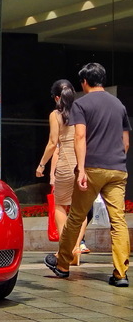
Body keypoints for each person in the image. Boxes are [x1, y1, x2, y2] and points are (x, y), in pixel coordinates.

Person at [44, 63, 130, 287]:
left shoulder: (81, 105)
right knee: (118, 221)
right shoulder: (118, 104)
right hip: (117, 169)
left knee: (76, 217)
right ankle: (121, 273)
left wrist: (81, 169)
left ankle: (62, 265)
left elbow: (79, 137)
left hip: (92, 168)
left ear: (84, 82)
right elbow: (126, 142)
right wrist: (117, 160)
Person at [36, 79, 88, 264]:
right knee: (79, 210)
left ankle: (66, 250)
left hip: (66, 164)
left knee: (60, 205)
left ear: (57, 97)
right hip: (83, 163)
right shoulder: (82, 111)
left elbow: (52, 143)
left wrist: (42, 165)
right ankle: (75, 249)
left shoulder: (55, 114)